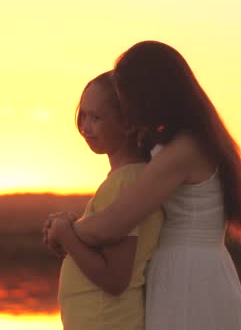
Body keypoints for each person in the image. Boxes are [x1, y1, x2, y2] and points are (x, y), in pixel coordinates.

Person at [47, 41, 241, 330]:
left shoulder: (184, 151)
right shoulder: (191, 142)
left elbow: (113, 224)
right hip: (199, 271)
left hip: (188, 279)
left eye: (128, 96)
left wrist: (65, 230)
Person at [45, 71, 164, 330]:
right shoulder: (127, 179)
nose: (85, 127)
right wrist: (71, 229)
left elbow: (115, 278)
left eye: (96, 118)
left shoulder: (126, 182)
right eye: (83, 115)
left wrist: (67, 235)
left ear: (128, 123)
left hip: (106, 320)